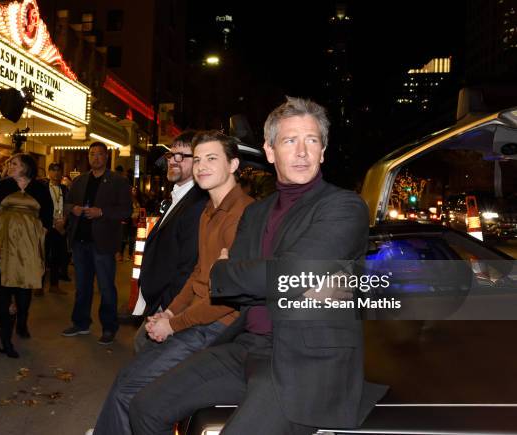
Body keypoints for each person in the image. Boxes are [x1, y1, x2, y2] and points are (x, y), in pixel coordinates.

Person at [129, 97, 387, 435]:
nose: (302, 151)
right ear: (269, 151)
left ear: (323, 152)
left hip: (305, 362)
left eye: (312, 140)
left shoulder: (344, 207)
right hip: (248, 345)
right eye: (289, 140)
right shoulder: (256, 212)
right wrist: (254, 276)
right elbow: (255, 283)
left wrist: (227, 272)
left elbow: (288, 277)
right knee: (144, 408)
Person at [92, 131, 253, 435]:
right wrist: (169, 313)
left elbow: (227, 297)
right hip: (196, 316)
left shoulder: (242, 214)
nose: (202, 166)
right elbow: (197, 272)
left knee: (131, 388)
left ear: (233, 164)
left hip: (217, 325)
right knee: (130, 380)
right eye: (200, 158)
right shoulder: (209, 209)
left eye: (212, 158)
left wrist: (174, 324)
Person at [131, 130, 208, 353]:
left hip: (170, 304)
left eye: (181, 156)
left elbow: (189, 265)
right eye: (171, 155)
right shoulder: (177, 195)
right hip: (158, 300)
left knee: (144, 352)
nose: (173, 161)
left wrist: (168, 309)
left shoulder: (197, 203)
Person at [61, 142, 131, 345]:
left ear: (106, 157)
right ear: (88, 157)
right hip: (81, 242)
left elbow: (126, 210)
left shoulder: (118, 181)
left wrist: (101, 212)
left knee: (106, 287)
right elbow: (66, 204)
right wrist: (72, 208)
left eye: (100, 154)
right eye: (92, 154)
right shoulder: (80, 180)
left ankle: (109, 327)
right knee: (82, 287)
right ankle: (81, 323)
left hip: (103, 243)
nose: (96, 158)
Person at [0, 153, 53, 358]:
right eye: (10, 164)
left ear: (26, 167)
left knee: (25, 286)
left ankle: (22, 319)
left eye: (14, 163)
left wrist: (39, 237)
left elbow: (47, 216)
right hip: (4, 240)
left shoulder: (40, 188)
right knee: (4, 284)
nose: (10, 166)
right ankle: (5, 332)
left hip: (29, 245)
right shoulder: (3, 185)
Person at [38, 162, 69, 296]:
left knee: (57, 256)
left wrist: (64, 222)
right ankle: (39, 285)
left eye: (58, 170)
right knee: (42, 256)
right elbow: (39, 207)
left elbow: (68, 206)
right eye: (53, 170)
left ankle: (54, 285)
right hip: (46, 226)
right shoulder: (43, 188)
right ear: (49, 172)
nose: (56, 173)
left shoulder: (65, 189)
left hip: (61, 226)